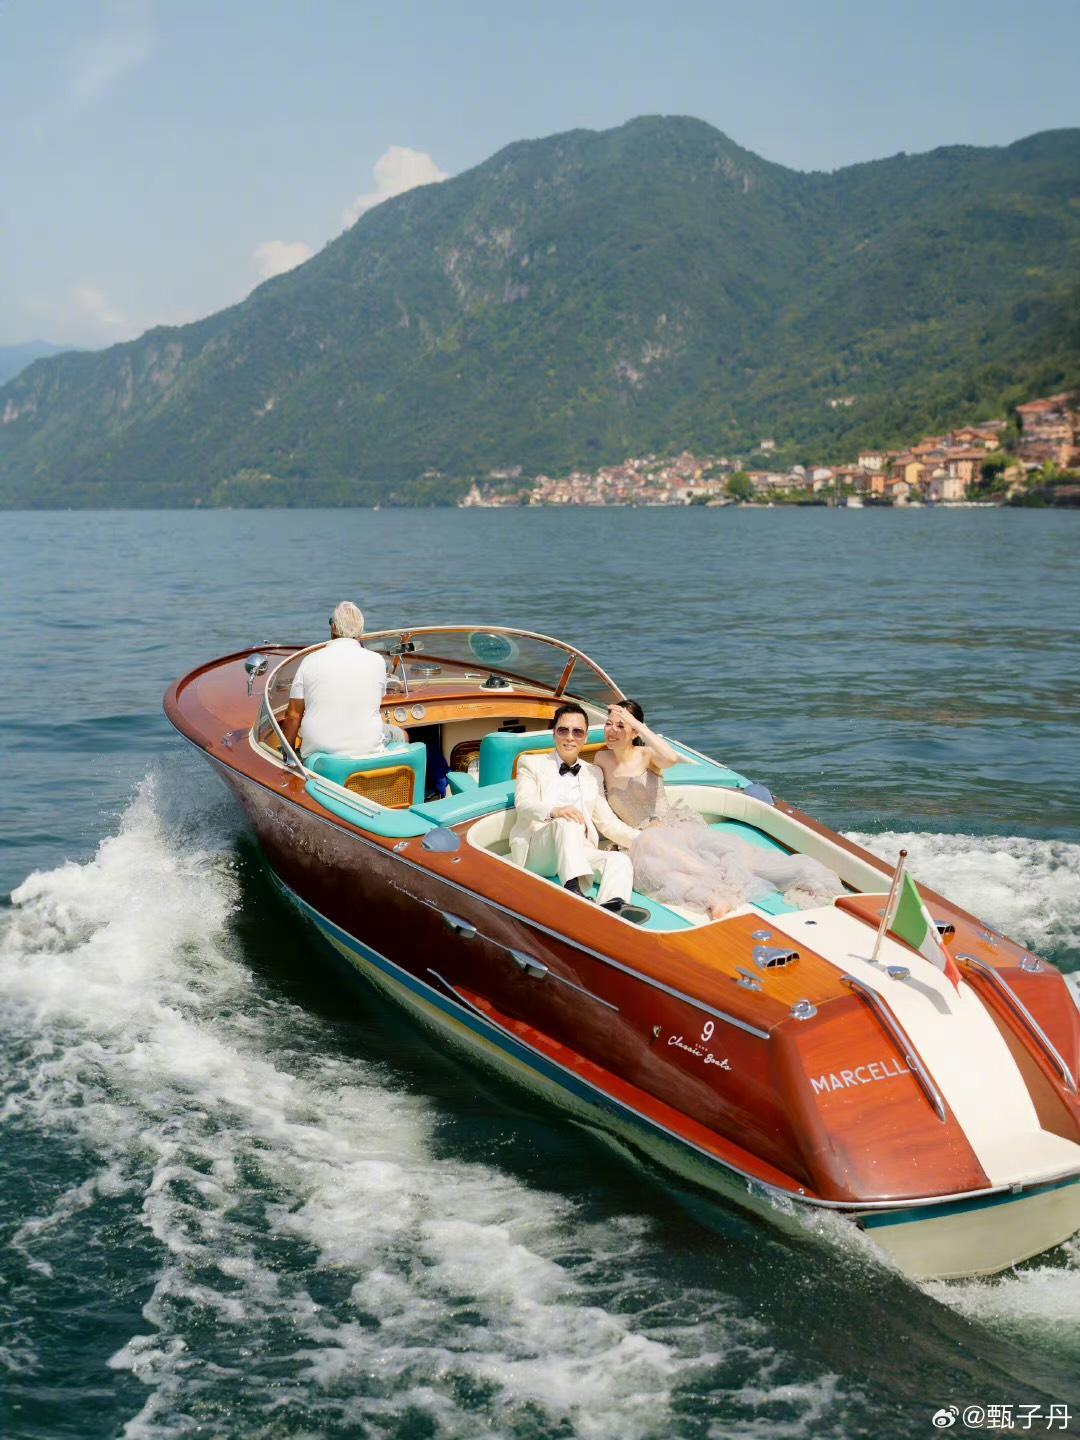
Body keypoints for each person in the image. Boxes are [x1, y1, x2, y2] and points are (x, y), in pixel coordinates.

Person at [596, 700, 844, 919]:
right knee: (660, 872)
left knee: (738, 861)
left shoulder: (647, 754)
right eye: (608, 724)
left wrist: (638, 725)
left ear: (634, 731)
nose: (611, 730)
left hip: (674, 829)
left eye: (620, 725)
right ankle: (715, 900)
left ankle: (722, 879)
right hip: (639, 840)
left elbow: (671, 758)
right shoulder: (601, 759)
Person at [510, 703, 648, 921]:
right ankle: (573, 890)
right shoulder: (531, 764)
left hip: (579, 849)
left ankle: (614, 906)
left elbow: (607, 823)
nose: (570, 737)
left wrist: (646, 840)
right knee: (567, 822)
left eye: (577, 732)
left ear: (585, 737)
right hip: (539, 850)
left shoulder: (593, 772)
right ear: (554, 733)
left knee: (618, 860)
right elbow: (524, 804)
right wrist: (556, 811)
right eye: (563, 730)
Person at [280, 601, 395, 758]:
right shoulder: (378, 661)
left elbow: (293, 715)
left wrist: (288, 755)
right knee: (400, 734)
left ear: (333, 626)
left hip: (319, 753)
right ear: (360, 630)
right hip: (367, 750)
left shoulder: (310, 661)